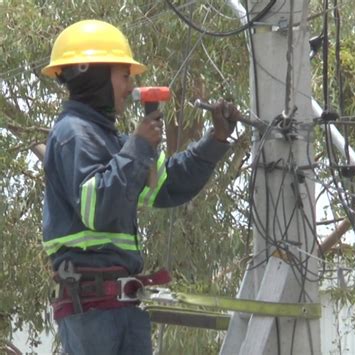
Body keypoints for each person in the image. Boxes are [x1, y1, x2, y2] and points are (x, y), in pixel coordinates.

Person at [41, 19, 241, 355]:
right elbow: (98, 209)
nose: (130, 85)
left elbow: (168, 185)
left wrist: (216, 140)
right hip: (93, 311)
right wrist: (137, 146)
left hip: (119, 307)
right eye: (124, 75)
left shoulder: (110, 139)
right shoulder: (73, 133)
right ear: (93, 74)